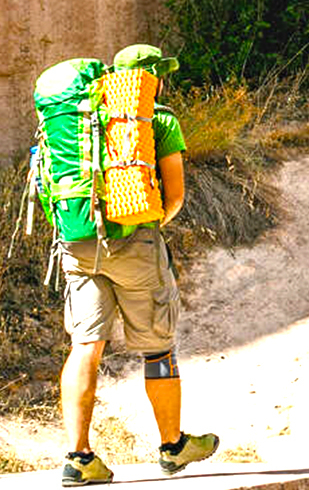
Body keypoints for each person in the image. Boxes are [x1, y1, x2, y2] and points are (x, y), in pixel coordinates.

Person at [59, 45, 218, 486]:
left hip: (77, 240)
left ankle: (79, 456)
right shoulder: (157, 119)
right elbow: (176, 195)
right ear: (152, 79)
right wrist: (144, 225)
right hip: (135, 243)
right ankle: (172, 445)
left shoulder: (78, 116)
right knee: (158, 345)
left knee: (86, 346)